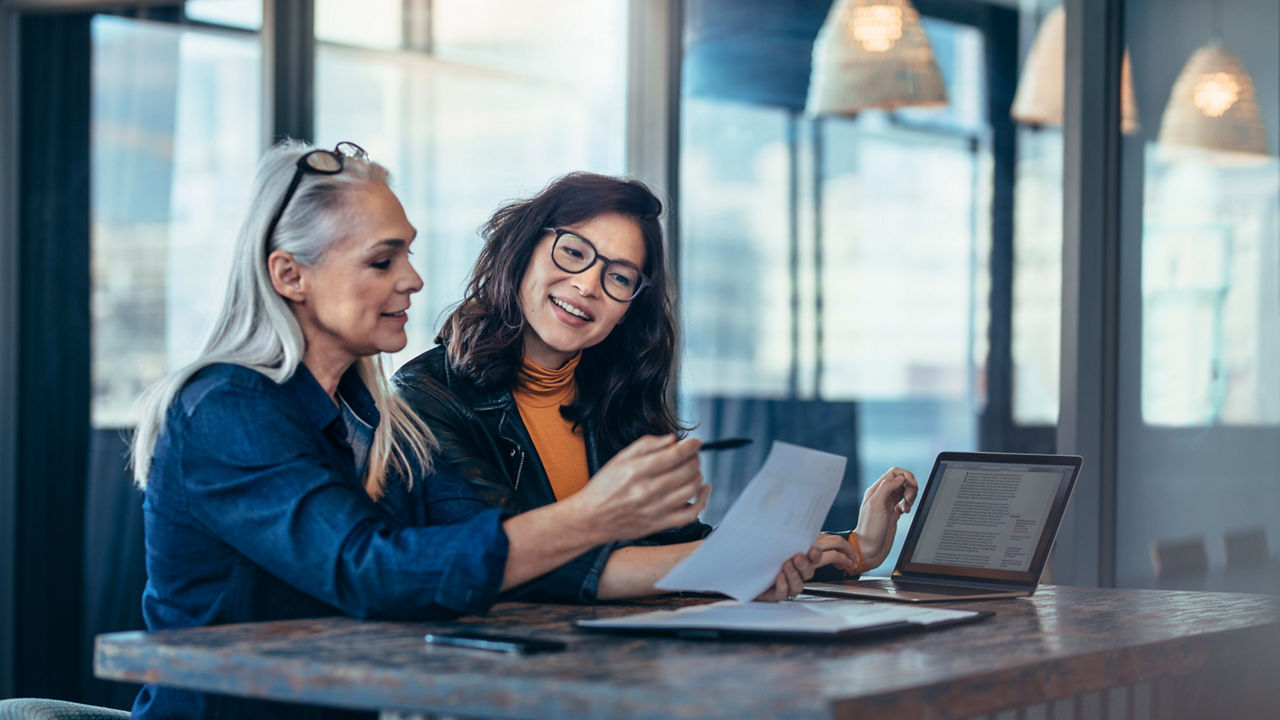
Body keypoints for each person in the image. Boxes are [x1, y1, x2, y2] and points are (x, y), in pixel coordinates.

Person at [128, 143, 827, 720]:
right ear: (290, 276)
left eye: (408, 254)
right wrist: (596, 514)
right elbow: (372, 572)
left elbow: (487, 543)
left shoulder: (374, 417)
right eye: (382, 260)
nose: (413, 279)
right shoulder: (226, 409)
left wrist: (745, 564)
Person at [393, 171, 919, 603]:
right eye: (573, 252)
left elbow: (672, 546)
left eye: (619, 277)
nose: (588, 285)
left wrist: (856, 547)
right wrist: (738, 562)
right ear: (524, 250)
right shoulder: (426, 397)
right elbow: (511, 562)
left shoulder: (612, 399)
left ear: (628, 310)